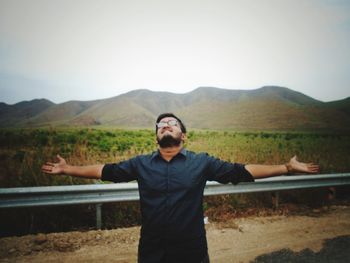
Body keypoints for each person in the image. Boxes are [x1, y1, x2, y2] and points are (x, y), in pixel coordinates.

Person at [41, 113, 319, 263]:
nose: (165, 126)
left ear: (182, 135)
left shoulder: (201, 162)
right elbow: (105, 171)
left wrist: (286, 167)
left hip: (191, 250)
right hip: (151, 250)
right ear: (156, 136)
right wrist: (67, 169)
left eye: (171, 124)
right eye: (161, 125)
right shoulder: (141, 163)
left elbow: (241, 171)